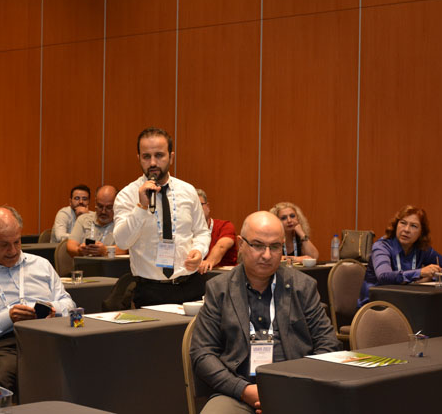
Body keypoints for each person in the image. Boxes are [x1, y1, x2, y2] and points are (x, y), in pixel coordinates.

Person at [190, 211, 341, 413]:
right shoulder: (219, 289)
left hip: (297, 390)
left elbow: (328, 344)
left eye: (275, 246)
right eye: (258, 245)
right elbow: (202, 353)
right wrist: (242, 390)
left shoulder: (303, 286)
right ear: (241, 244)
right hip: (238, 392)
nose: (267, 255)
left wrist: (297, 387)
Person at [0, 206, 76, 397]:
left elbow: (68, 303)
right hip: (5, 345)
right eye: (4, 245)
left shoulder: (41, 265)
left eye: (17, 242)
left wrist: (54, 309)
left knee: (86, 363)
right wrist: (7, 317)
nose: (13, 251)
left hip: (48, 337)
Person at [113, 127, 210, 307]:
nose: (152, 162)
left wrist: (199, 250)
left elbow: (202, 232)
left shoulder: (188, 191)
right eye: (146, 156)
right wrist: (141, 207)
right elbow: (122, 242)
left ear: (171, 157)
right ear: (139, 158)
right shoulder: (127, 195)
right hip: (150, 290)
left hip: (190, 285)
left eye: (159, 155)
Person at [358, 205, 442, 306]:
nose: (406, 229)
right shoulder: (382, 246)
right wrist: (420, 272)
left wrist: (431, 276)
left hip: (405, 302)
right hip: (375, 305)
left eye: (413, 226)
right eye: (403, 223)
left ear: (421, 232)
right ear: (396, 225)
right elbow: (384, 276)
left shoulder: (421, 248)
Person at [67, 185, 126, 257]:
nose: (103, 211)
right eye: (100, 206)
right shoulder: (83, 219)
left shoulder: (123, 223)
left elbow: (126, 248)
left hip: (111, 263)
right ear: (95, 203)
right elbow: (70, 246)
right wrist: (79, 250)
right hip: (84, 263)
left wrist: (105, 250)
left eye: (109, 207)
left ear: (117, 205)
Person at [196, 189, 238, 273]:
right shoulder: (185, 231)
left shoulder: (225, 226)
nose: (195, 210)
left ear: (208, 207)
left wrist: (208, 262)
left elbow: (221, 246)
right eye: (191, 207)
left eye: (199, 205)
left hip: (223, 276)